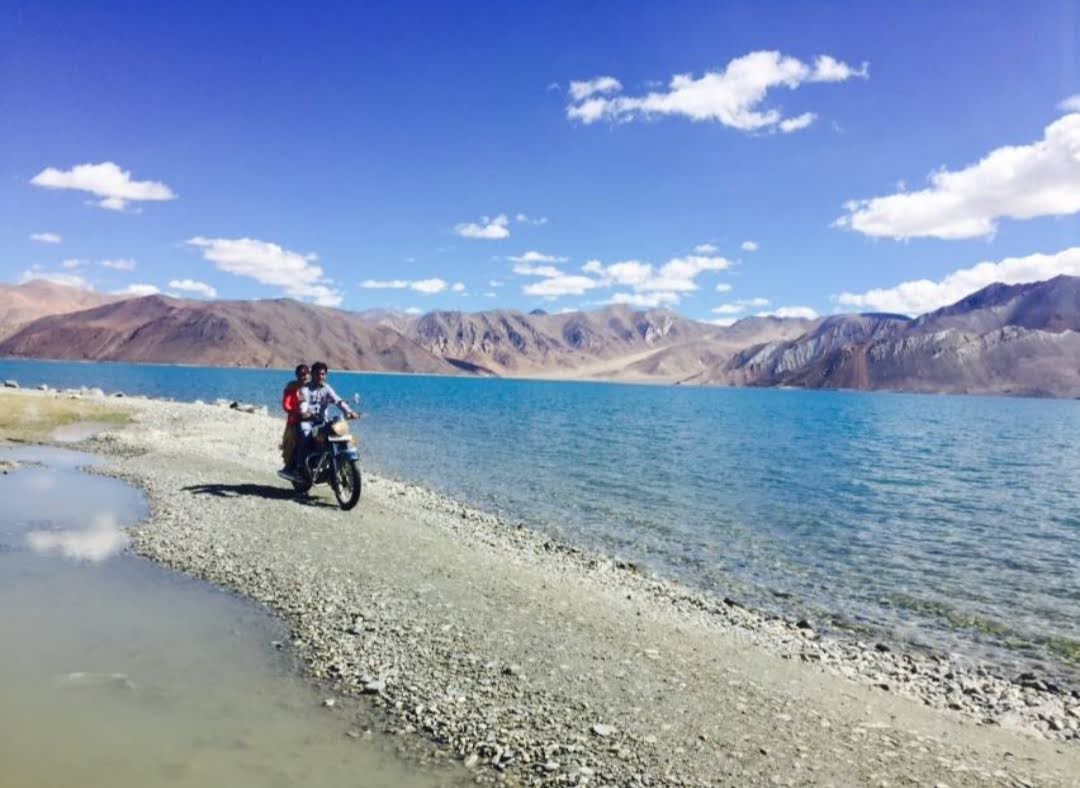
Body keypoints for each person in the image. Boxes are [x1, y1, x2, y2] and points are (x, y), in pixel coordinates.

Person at [294, 361, 358, 479]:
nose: (320, 377)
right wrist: (304, 412)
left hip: (322, 421)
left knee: (338, 430)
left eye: (323, 374)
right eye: (318, 374)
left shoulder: (327, 388)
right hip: (308, 422)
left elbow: (337, 400)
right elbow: (303, 403)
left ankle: (336, 462)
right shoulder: (304, 390)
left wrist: (348, 412)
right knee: (305, 434)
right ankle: (300, 468)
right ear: (312, 374)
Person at [277, 364, 310, 481]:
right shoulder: (292, 387)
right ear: (297, 375)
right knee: (297, 442)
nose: (303, 377)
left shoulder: (313, 386)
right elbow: (286, 404)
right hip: (295, 420)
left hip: (312, 419)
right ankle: (289, 468)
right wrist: (293, 411)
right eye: (301, 374)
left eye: (305, 374)